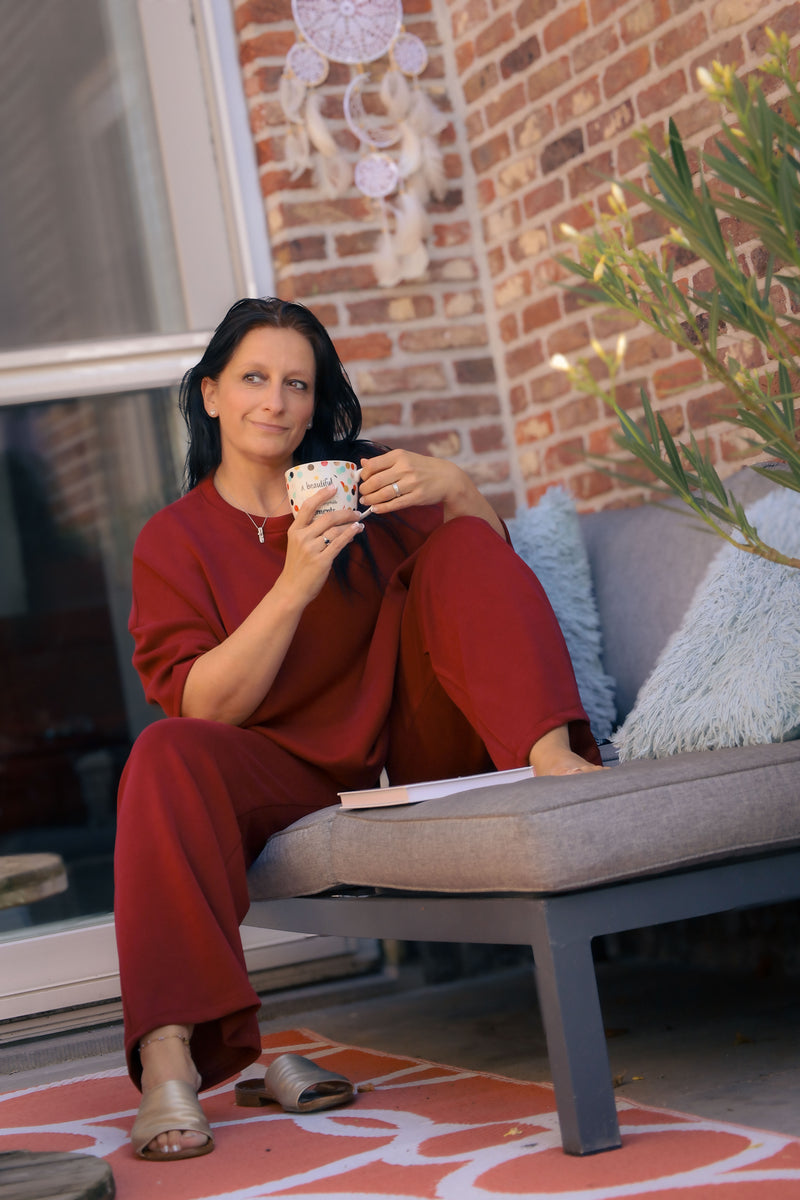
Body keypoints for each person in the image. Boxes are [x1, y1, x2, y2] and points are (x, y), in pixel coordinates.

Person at [115, 296, 603, 1162]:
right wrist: (298, 577)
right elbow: (203, 705)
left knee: (453, 544)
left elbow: (483, 574)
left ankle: (550, 757)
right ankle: (169, 1061)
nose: (277, 402)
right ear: (212, 395)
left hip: (411, 742)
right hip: (279, 769)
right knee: (163, 752)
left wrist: (455, 486)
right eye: (255, 379)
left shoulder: (364, 483)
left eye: (297, 384)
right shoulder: (172, 540)